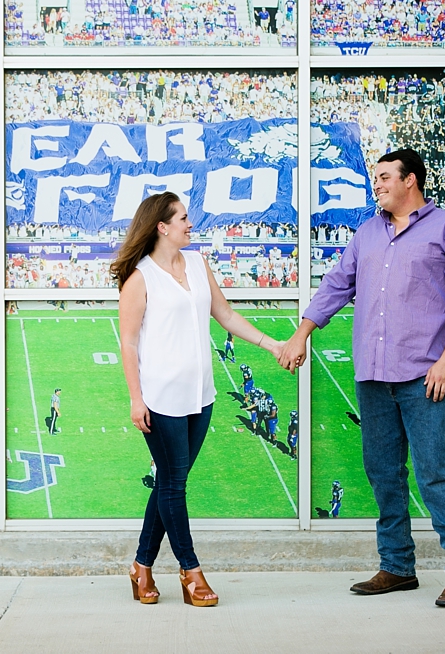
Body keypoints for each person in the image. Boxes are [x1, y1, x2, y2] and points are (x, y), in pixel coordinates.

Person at [279, 149, 445, 608]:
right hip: (372, 376)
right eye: (376, 178)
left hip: (424, 375)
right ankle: (396, 566)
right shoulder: (367, 233)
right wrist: (301, 335)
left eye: (385, 177)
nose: (377, 185)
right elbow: (336, 285)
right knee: (383, 474)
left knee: (436, 473)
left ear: (410, 180)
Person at [113, 192, 283, 608]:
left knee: (171, 482)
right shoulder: (140, 279)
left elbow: (224, 315)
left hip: (201, 395)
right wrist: (137, 400)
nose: (191, 225)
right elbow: (129, 344)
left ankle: (140, 567)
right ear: (162, 227)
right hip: (161, 399)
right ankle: (191, 573)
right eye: (184, 219)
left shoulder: (196, 263)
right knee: (175, 484)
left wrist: (272, 344)